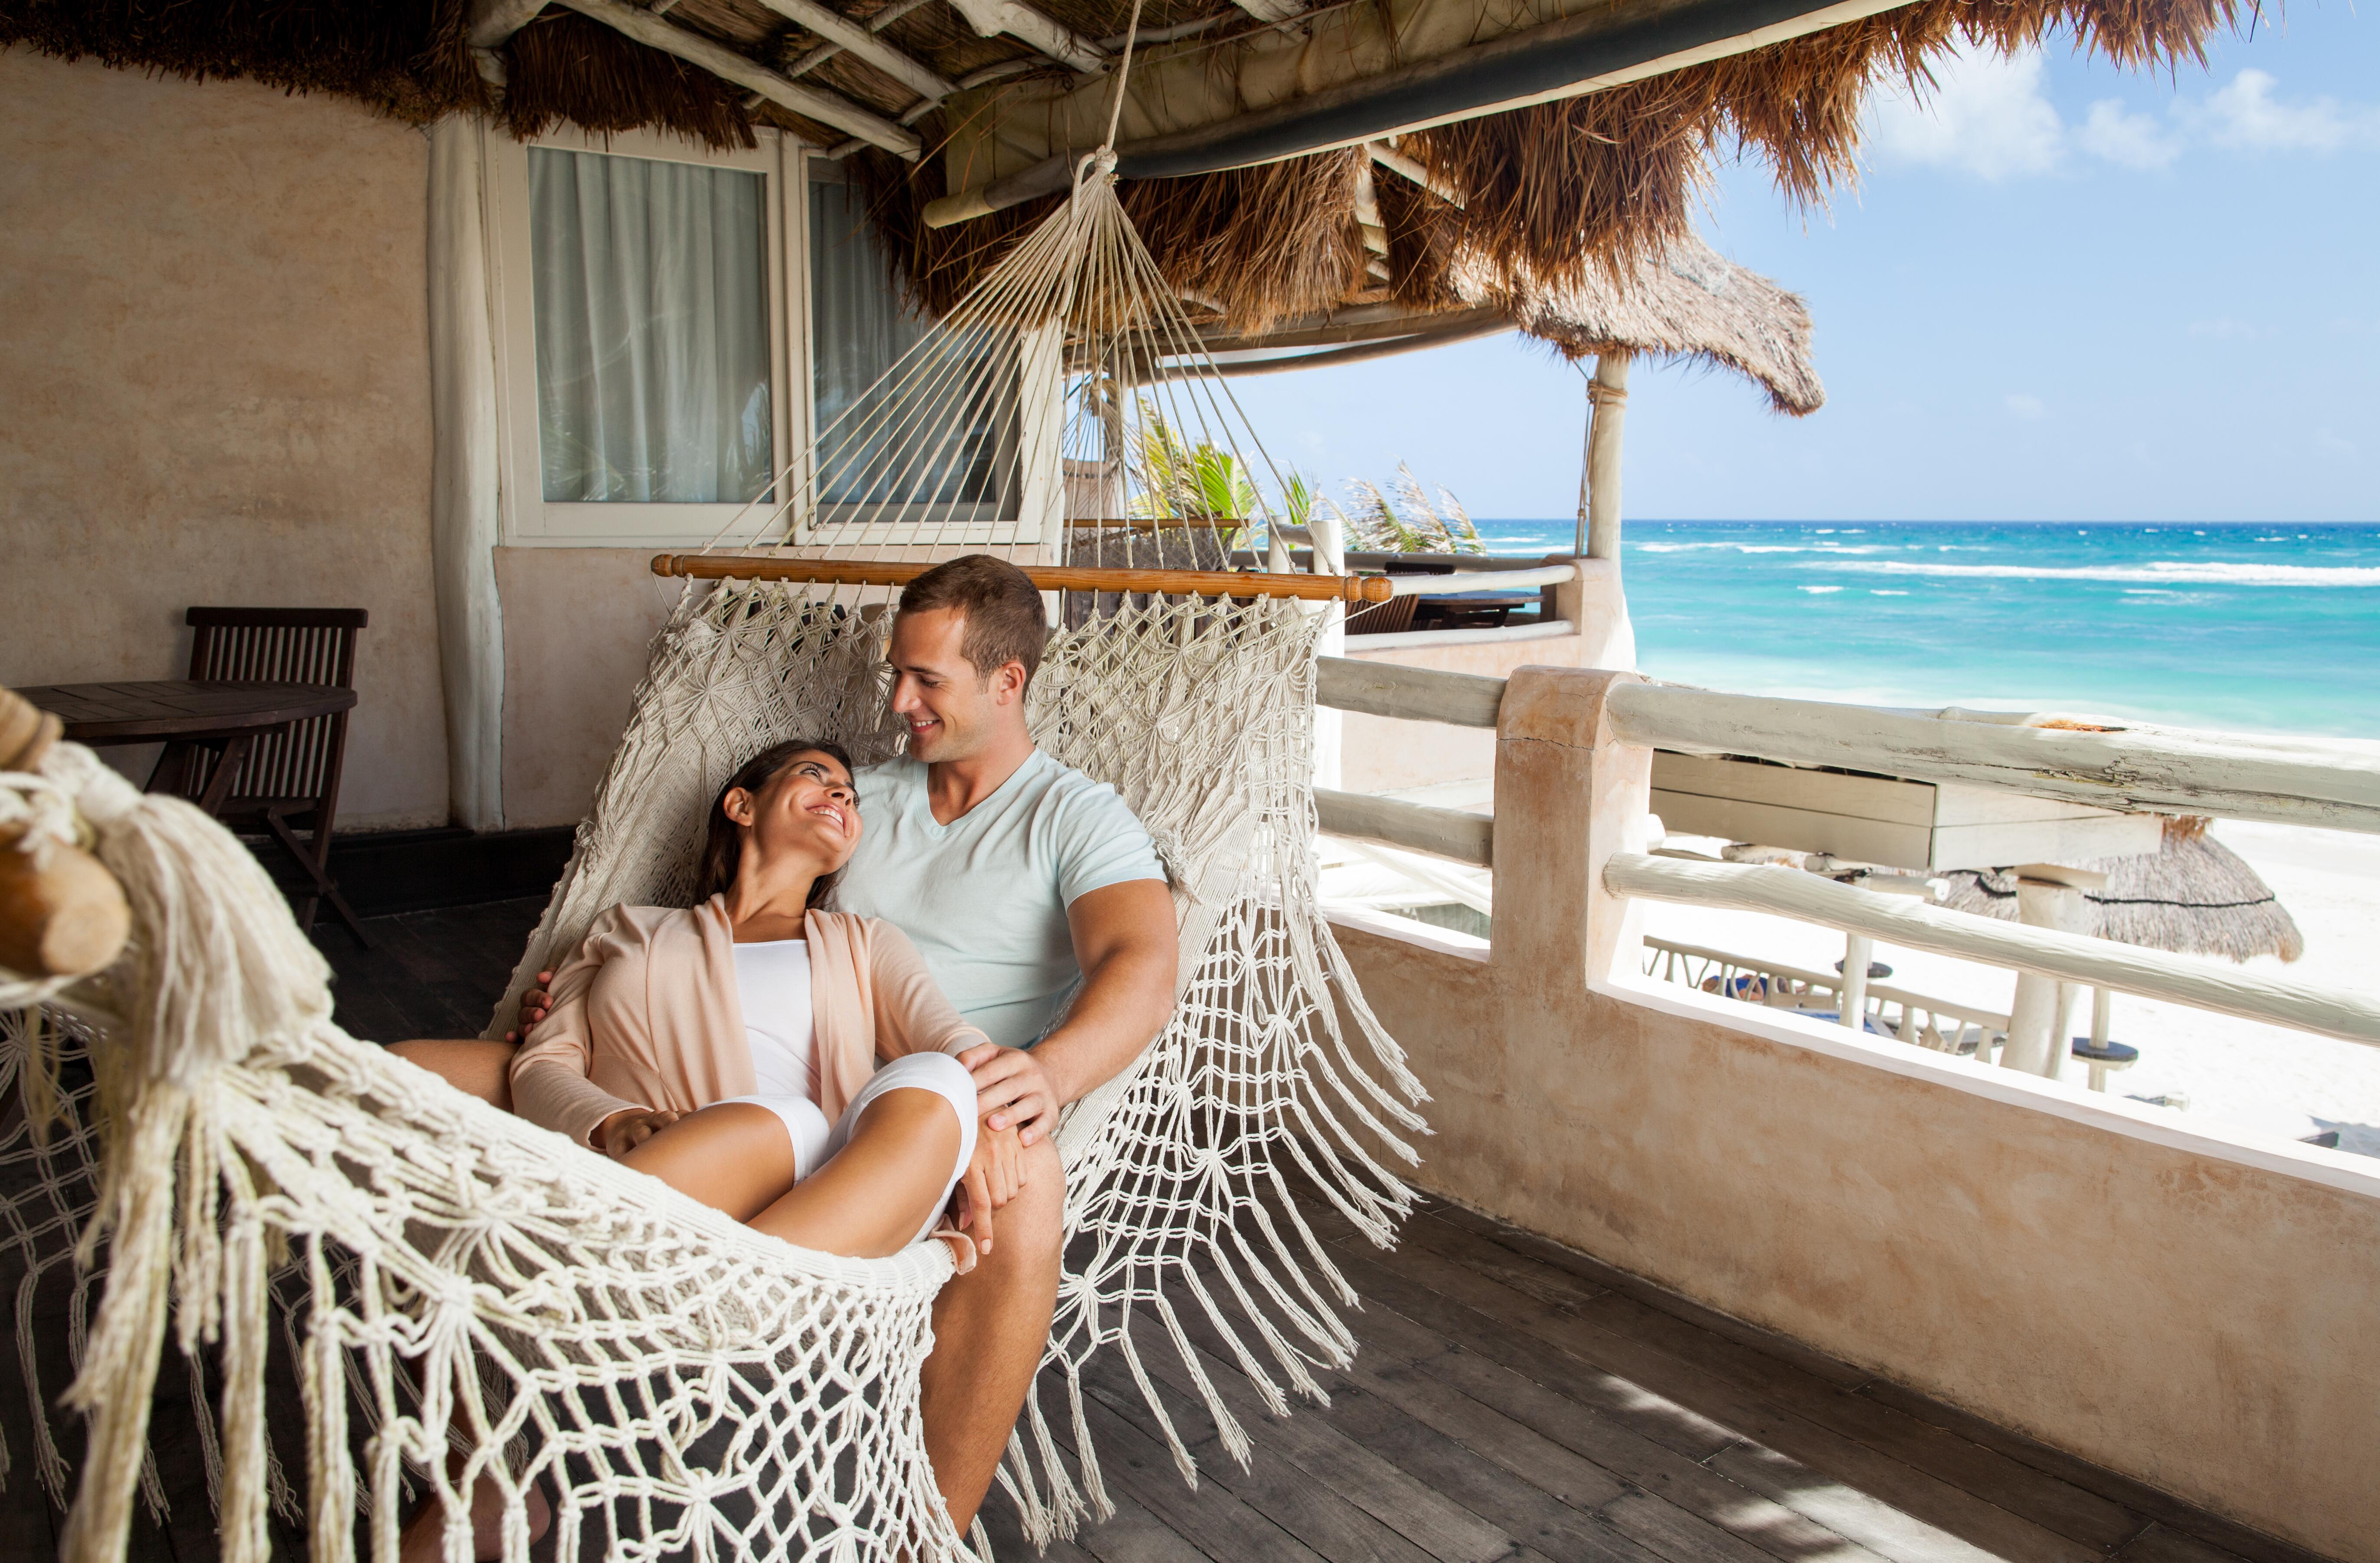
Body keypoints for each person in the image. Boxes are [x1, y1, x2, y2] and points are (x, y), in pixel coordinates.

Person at [408, 555, 1181, 1540]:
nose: (898, 701)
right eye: (895, 674)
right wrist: (583, 1003)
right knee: (436, 1082)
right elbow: (756, 915)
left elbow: (1140, 969)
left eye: (925, 681)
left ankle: (921, 1533)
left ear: (1007, 681)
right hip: (770, 1069)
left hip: (927, 1098)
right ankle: (486, 1423)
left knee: (1025, 1187)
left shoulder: (1075, 815)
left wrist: (1037, 1082)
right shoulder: (867, 799)